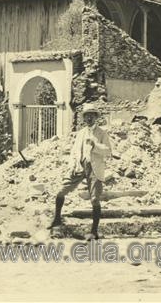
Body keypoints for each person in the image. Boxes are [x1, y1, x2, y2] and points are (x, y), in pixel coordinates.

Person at [49, 101, 112, 240]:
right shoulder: (80, 133)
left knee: (95, 199)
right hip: (79, 166)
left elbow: (108, 152)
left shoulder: (102, 133)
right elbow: (74, 152)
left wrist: (95, 145)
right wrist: (72, 166)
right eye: (87, 116)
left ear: (96, 117)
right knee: (61, 191)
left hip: (94, 168)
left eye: (92, 116)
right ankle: (57, 219)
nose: (89, 118)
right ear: (84, 118)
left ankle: (94, 232)